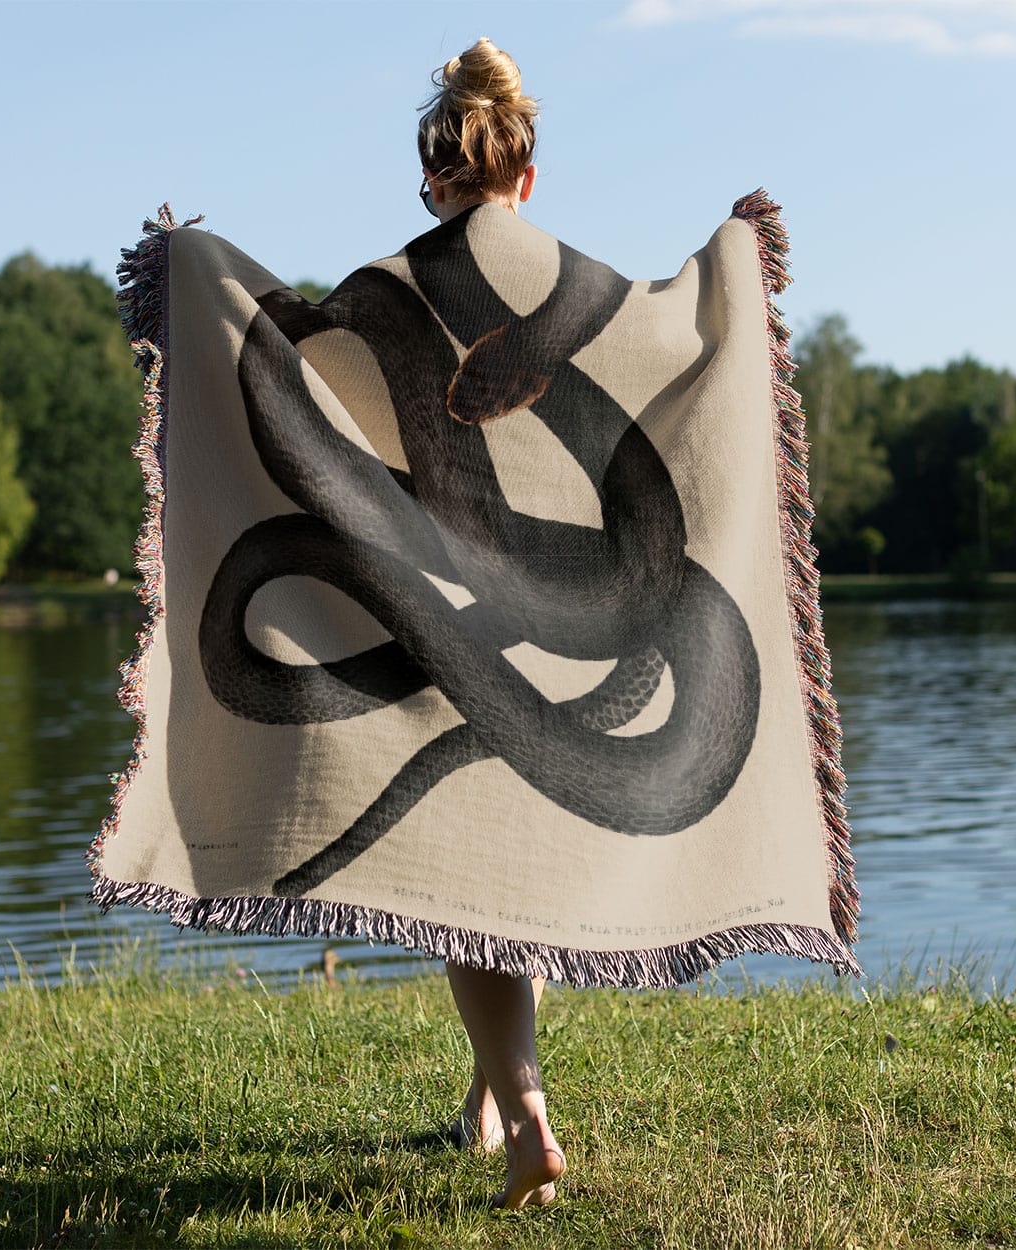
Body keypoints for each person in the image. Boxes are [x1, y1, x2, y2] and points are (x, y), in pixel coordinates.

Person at [414, 36, 566, 1212]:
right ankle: (483, 1098)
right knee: (508, 875)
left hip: (454, 618)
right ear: (524, 175)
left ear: (434, 180)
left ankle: (526, 1117)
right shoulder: (579, 286)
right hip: (567, 625)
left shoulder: (404, 288)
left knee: (464, 888)